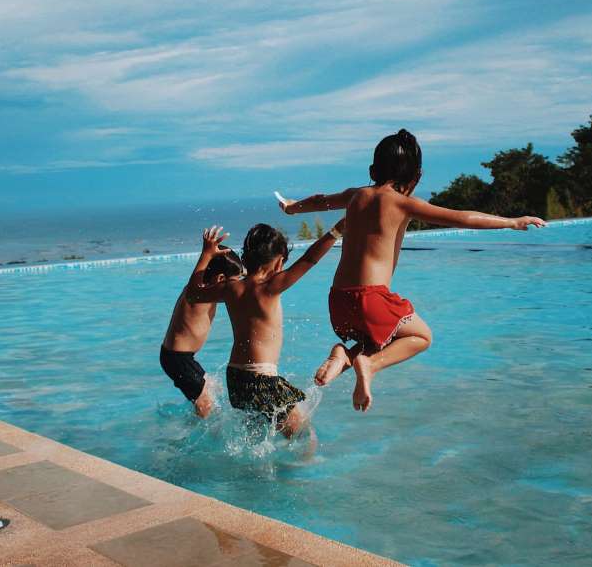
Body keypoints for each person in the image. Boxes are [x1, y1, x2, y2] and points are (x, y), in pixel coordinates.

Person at [278, 129, 546, 412]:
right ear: (416, 177)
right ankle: (367, 364)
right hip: (372, 298)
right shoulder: (403, 203)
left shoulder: (355, 196)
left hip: (339, 300)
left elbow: (321, 201)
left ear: (372, 169)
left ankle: (343, 356)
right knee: (421, 337)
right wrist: (513, 222)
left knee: (380, 338)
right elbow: (463, 218)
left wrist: (292, 208)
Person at [186, 221, 343, 439]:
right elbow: (309, 259)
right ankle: (294, 471)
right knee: (303, 433)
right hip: (261, 379)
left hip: (235, 378)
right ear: (279, 261)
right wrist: (335, 232)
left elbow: (192, 294)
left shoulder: (232, 288)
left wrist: (206, 255)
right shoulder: (270, 287)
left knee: (256, 433)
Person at [160, 227, 246, 418]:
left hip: (181, 357)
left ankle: (194, 420)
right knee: (205, 405)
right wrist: (206, 254)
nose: (237, 286)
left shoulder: (206, 288)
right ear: (220, 278)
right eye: (236, 281)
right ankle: (192, 440)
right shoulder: (199, 293)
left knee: (215, 389)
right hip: (177, 358)